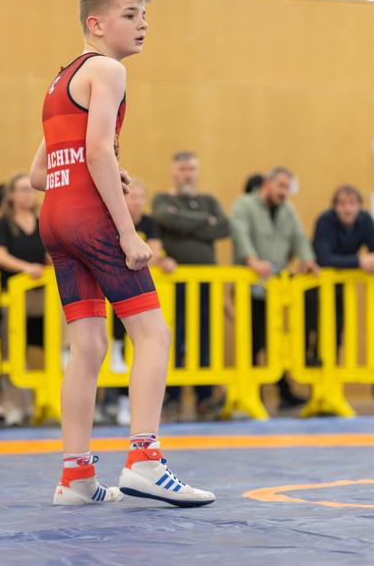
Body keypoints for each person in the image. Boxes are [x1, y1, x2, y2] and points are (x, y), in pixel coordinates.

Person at [29, 0, 215, 507]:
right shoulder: (107, 70)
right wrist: (129, 231)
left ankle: (76, 478)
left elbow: (40, 173)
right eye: (130, 15)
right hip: (90, 219)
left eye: (144, 16)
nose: (142, 26)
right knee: (153, 335)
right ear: (96, 23)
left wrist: (107, 167)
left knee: (86, 347)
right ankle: (144, 460)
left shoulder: (60, 80)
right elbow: (97, 153)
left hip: (56, 217)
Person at [230, 166, 318, 409]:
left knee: (277, 340)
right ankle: (252, 392)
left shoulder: (287, 209)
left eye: (288, 188)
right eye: (281, 186)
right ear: (267, 183)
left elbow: (299, 236)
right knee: (252, 341)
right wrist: (252, 260)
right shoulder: (244, 205)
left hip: (276, 289)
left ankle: (283, 391)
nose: (284, 192)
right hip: (250, 285)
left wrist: (307, 259)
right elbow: (240, 233)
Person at [152, 151, 230, 420]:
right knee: (175, 337)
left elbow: (223, 227)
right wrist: (202, 222)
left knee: (205, 338)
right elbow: (166, 219)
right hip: (175, 285)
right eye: (182, 169)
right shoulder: (163, 199)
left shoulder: (208, 200)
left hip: (207, 281)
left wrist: (184, 223)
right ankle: (171, 398)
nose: (187, 174)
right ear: (174, 172)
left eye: (191, 169)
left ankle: (205, 397)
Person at [107, 177, 177, 426]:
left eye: (140, 197)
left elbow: (154, 251)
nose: (136, 202)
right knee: (116, 351)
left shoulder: (149, 223)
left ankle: (142, 414)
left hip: (142, 289)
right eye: (132, 196)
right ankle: (119, 403)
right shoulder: (113, 220)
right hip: (117, 290)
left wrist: (153, 258)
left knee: (149, 345)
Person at [0, 172, 47, 425]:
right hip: (12, 297)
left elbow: (49, 255)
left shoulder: (42, 221)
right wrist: (27, 269)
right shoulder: (1, 224)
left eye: (30, 189)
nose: (27, 194)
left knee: (53, 348)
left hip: (42, 295)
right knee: (12, 352)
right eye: (22, 189)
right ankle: (15, 405)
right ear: (11, 195)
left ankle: (43, 402)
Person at [312, 184, 374, 354]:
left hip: (341, 285)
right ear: (334, 206)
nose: (347, 208)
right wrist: (359, 261)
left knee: (337, 329)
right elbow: (324, 258)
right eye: (342, 203)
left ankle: (331, 368)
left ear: (360, 206)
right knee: (313, 328)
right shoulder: (324, 221)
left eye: (352, 203)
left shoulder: (366, 220)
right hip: (315, 284)